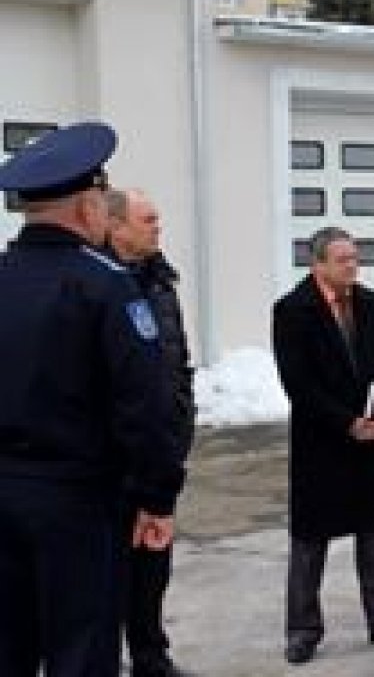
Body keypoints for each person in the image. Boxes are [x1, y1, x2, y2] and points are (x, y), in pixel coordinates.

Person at [0, 122, 185, 677]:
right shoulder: (106, 286)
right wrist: (157, 497)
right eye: (103, 204)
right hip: (77, 502)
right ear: (86, 210)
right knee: (80, 651)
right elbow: (144, 406)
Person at [272, 226, 374, 665]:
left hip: (372, 440)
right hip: (322, 441)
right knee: (310, 540)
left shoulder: (371, 303)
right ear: (318, 263)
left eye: (355, 258)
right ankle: (303, 629)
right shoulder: (292, 311)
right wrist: (347, 423)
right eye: (342, 259)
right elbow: (297, 384)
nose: (352, 266)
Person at [105, 189, 195, 677]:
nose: (159, 226)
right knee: (107, 572)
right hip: (113, 462)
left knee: (153, 566)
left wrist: (180, 424)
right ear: (115, 226)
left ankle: (150, 656)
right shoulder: (96, 283)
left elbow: (177, 364)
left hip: (160, 454)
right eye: (148, 218)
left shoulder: (161, 282)